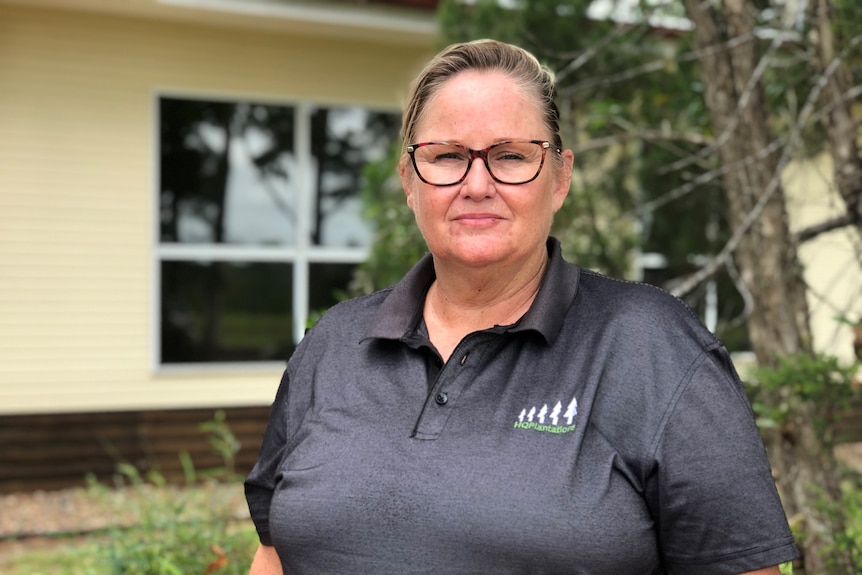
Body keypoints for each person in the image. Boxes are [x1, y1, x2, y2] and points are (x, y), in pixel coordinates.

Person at [244, 39, 799, 575]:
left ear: (560, 177)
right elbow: (273, 556)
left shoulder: (654, 348)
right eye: (447, 157)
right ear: (410, 182)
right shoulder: (335, 344)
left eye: (511, 156)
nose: (477, 184)